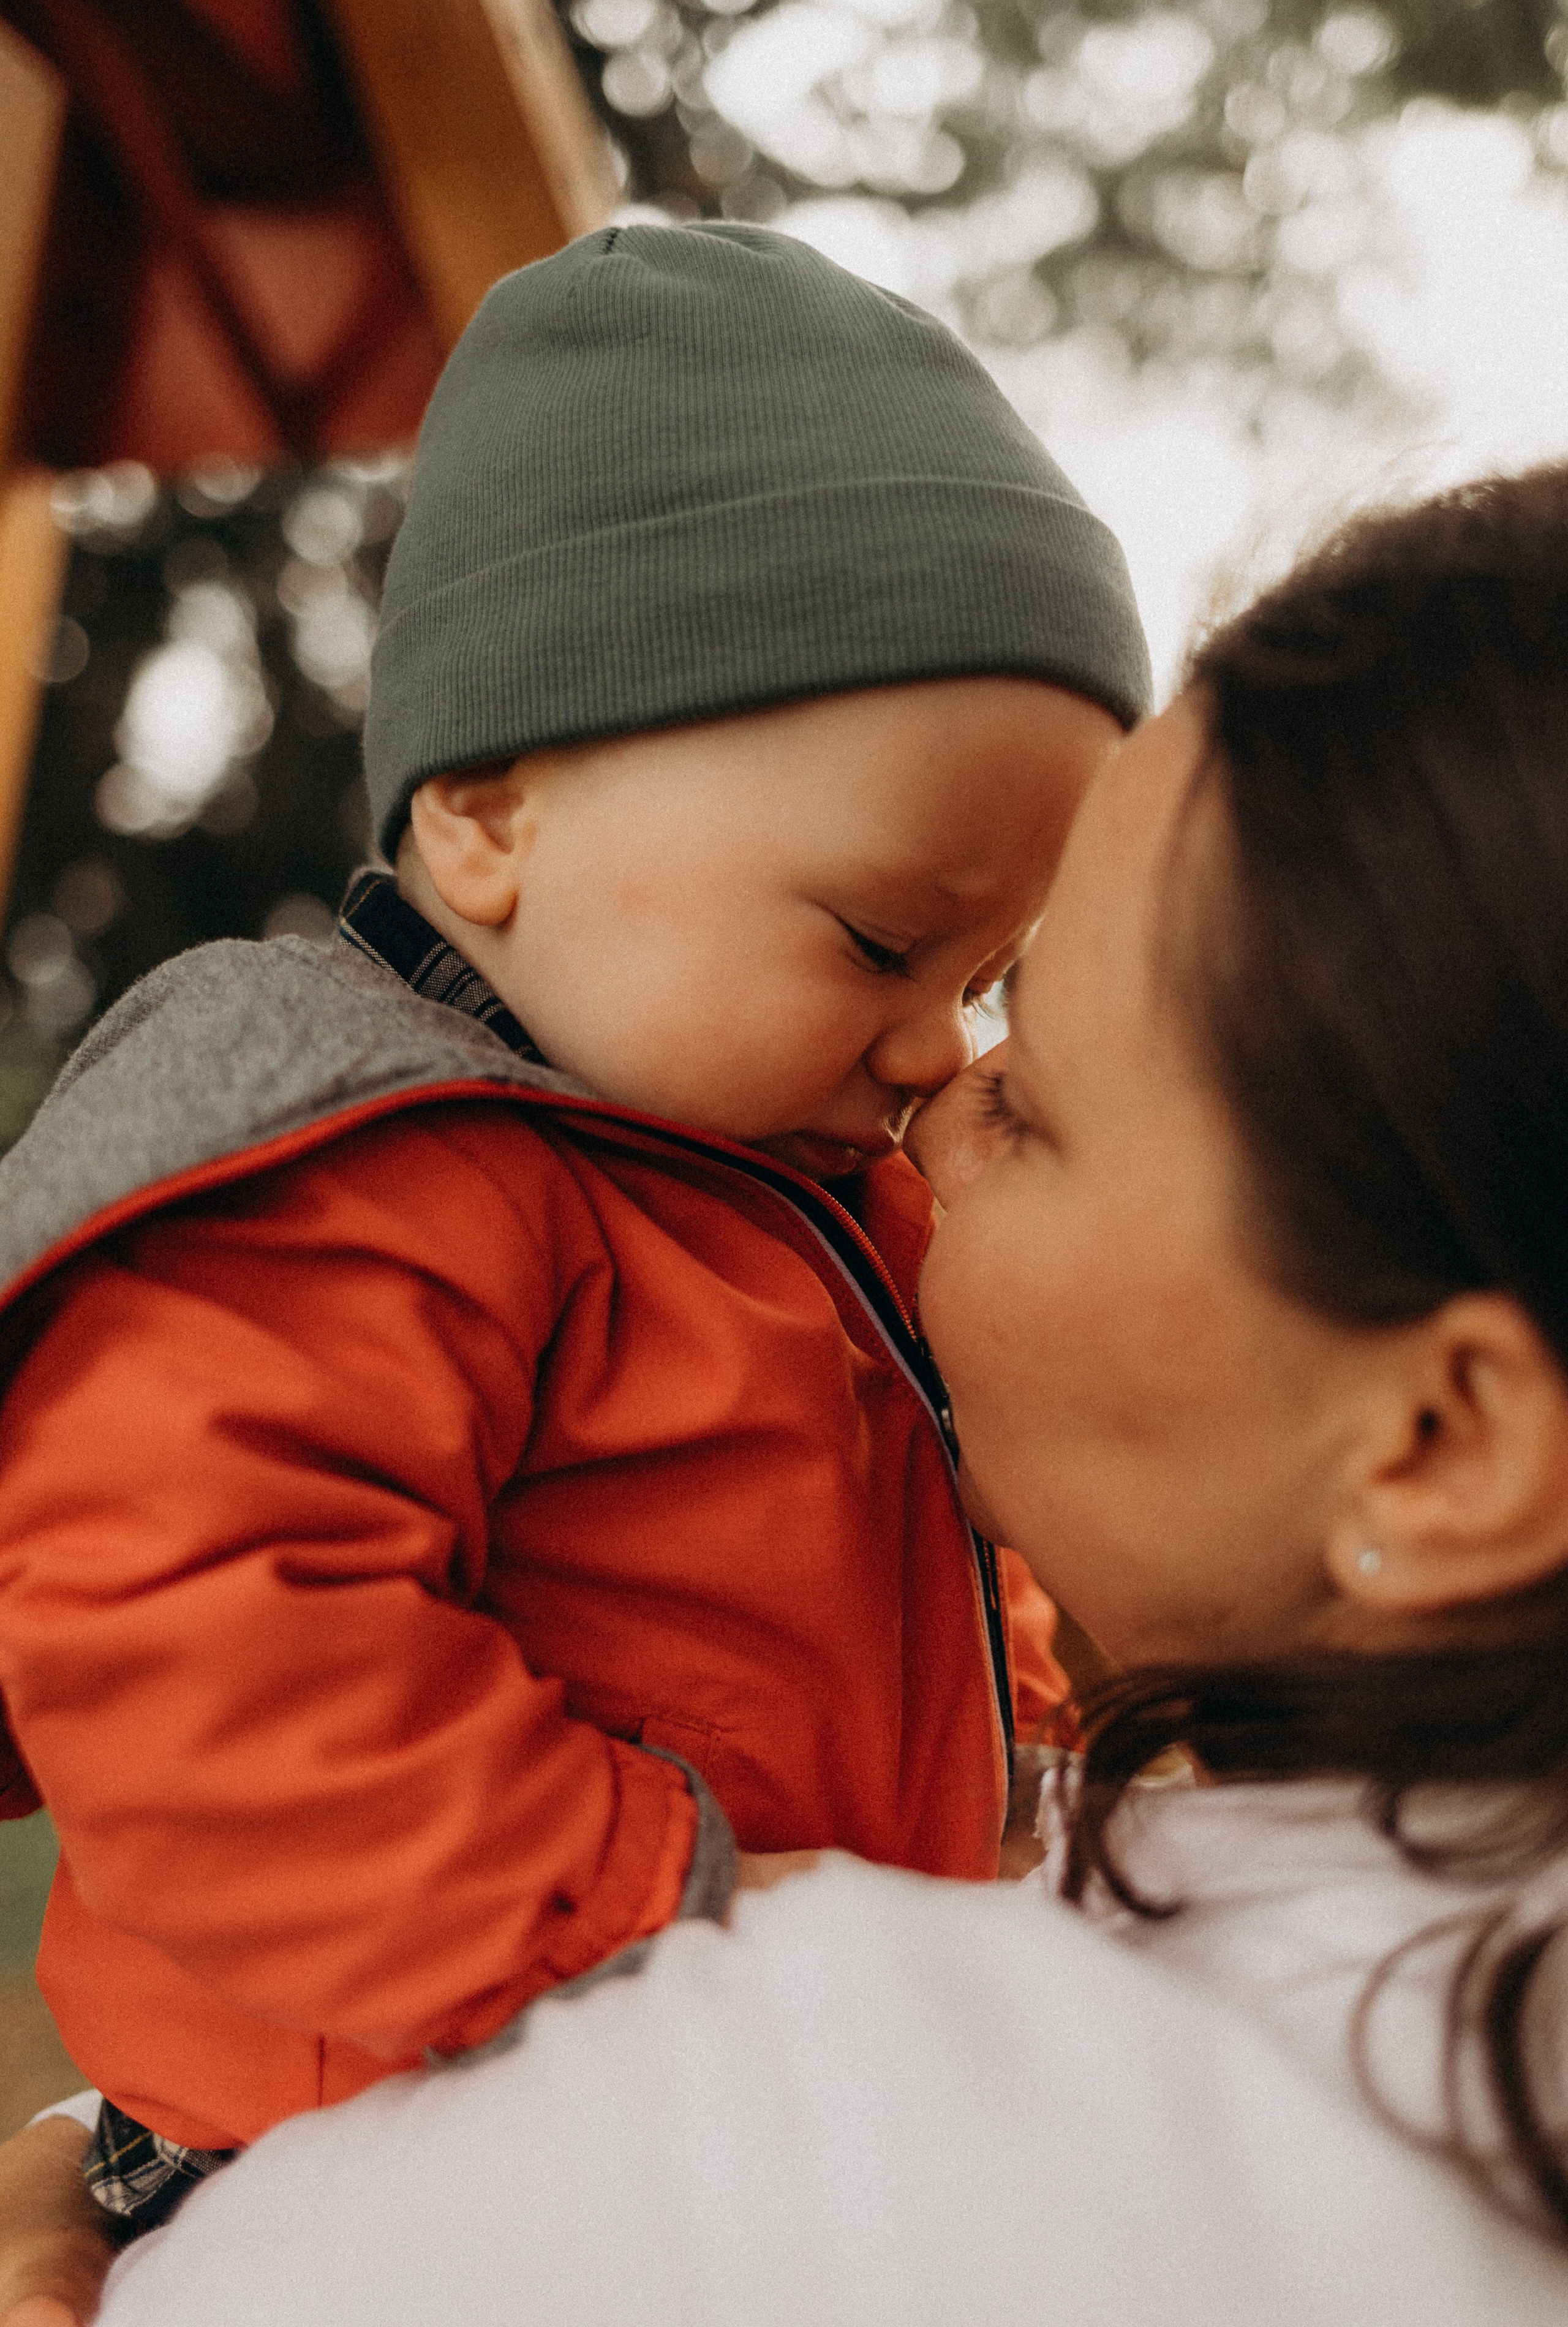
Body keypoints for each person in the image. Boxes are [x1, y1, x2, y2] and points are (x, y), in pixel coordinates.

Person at [13, 459, 1568, 2327]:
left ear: (1442, 1444)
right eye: (895, 958)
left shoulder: (772, 2159)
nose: (930, 1095)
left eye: (1031, 1089)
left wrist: (120, 2195)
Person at [0, 221, 1148, 2243]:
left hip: (687, 2095)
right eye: (887, 939)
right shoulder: (366, 1177)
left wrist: (1062, 1756)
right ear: (492, 818)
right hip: (379, 2139)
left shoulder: (787, 1197)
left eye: (990, 970)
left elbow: (924, 1578)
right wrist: (635, 1888)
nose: (931, 1039)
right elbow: (195, 1627)